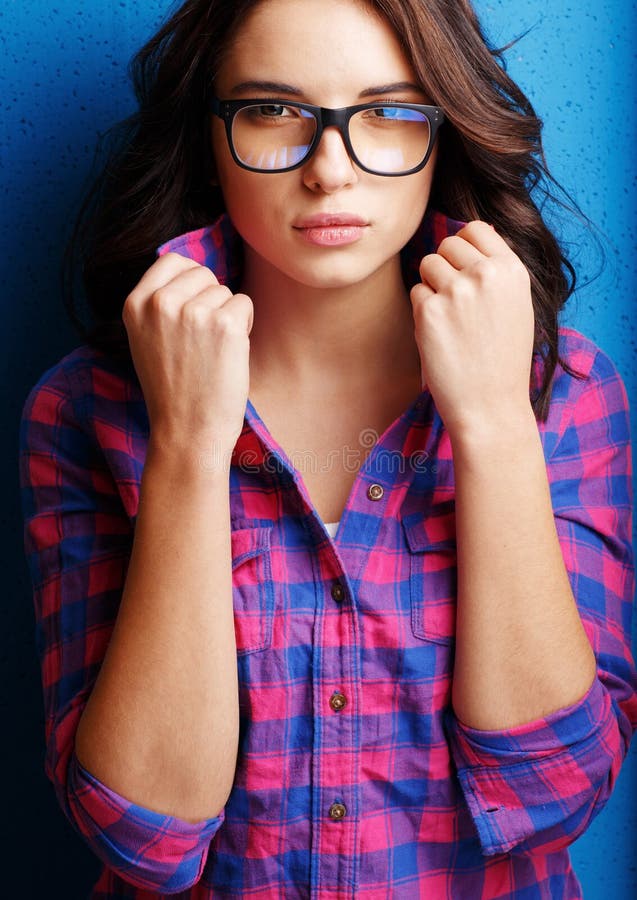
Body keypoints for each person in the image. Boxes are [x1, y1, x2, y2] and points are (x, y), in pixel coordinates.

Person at [18, 0, 637, 896]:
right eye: (275, 111)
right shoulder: (86, 411)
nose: (330, 170)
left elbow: (552, 795)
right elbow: (142, 837)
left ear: (444, 128)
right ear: (210, 136)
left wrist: (495, 425)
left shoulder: (567, 394)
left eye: (388, 112)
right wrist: (189, 448)